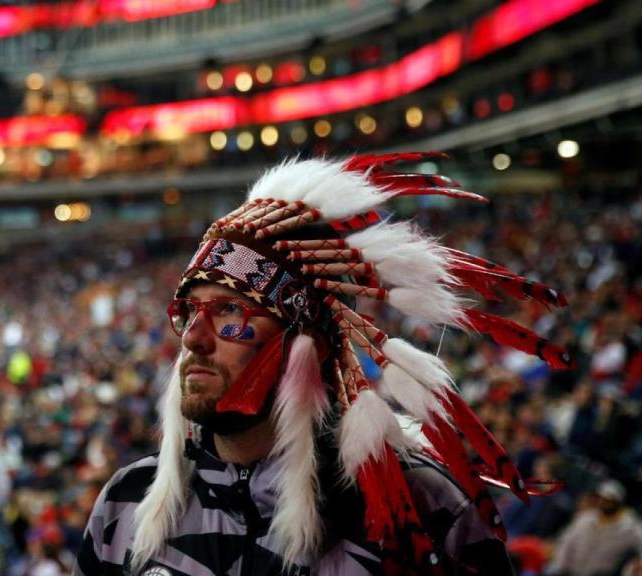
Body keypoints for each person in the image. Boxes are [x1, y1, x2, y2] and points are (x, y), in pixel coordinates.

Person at [75, 153, 575, 575]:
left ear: (305, 344)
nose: (195, 338)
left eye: (230, 311)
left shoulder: (423, 508)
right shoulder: (127, 502)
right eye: (188, 312)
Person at [546, 479, 642, 576]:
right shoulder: (586, 517)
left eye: (608, 500)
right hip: (568, 571)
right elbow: (567, 542)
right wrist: (559, 567)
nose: (603, 502)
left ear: (617, 502)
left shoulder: (629, 526)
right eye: (601, 498)